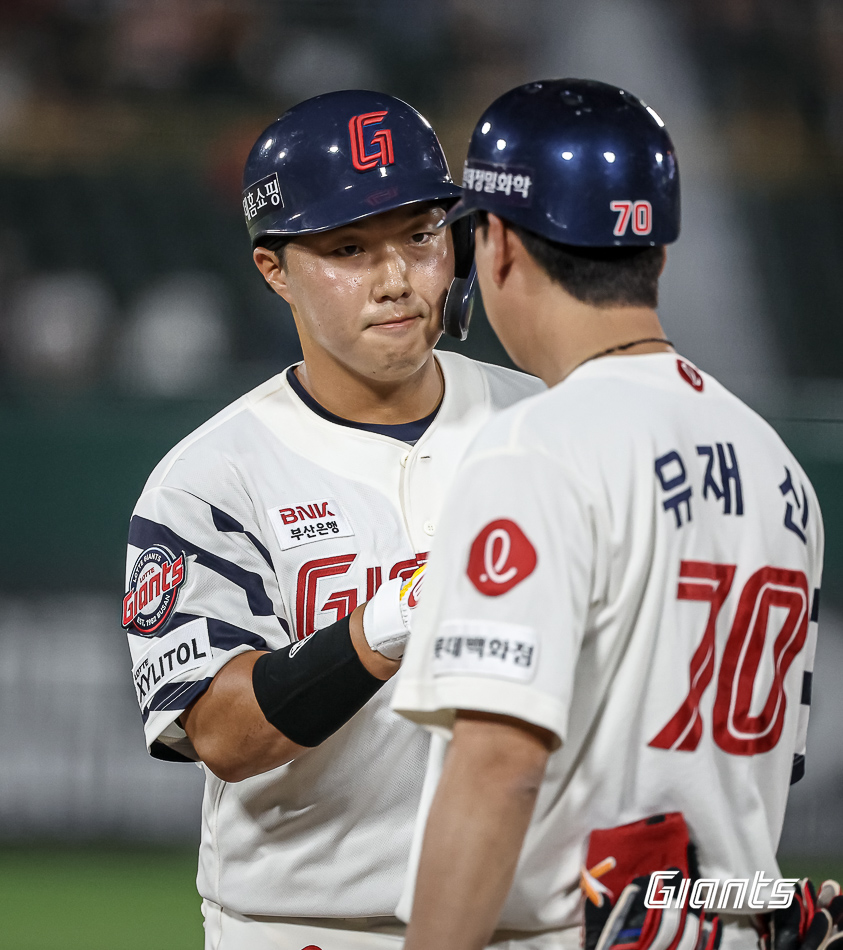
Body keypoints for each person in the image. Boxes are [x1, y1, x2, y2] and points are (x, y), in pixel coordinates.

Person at [391, 79, 826, 950]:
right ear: (656, 255)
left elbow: (497, 770)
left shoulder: (536, 449)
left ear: (499, 245)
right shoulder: (779, 470)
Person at [120, 89, 543, 950]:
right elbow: (220, 731)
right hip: (306, 926)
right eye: (347, 248)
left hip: (532, 923)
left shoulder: (545, 423)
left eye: (420, 236)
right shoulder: (211, 477)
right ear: (274, 269)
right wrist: (393, 617)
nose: (395, 279)